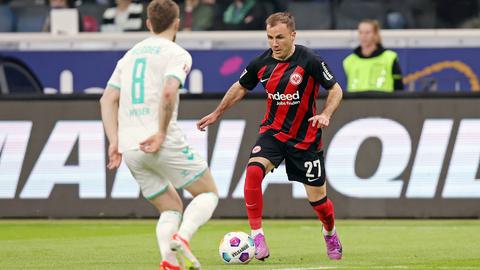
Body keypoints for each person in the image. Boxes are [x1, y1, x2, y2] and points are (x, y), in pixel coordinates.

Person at [197, 12, 343, 261]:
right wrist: (217, 112)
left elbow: (335, 89)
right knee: (253, 171)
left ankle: (329, 232)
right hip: (273, 133)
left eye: (280, 38)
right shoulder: (261, 63)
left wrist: (326, 113)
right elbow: (240, 86)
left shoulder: (309, 60)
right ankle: (258, 236)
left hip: (305, 139)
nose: (274, 43)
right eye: (269, 38)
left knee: (319, 202)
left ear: (293, 36)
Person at [100, 1, 218, 269]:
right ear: (177, 23)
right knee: (207, 193)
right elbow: (168, 91)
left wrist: (114, 141)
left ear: (148, 24)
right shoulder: (177, 53)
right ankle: (184, 238)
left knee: (170, 208)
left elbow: (107, 99)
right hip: (160, 140)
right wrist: (162, 133)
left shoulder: (128, 56)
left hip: (130, 147)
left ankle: (169, 261)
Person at [343, 19, 404, 92]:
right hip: (356, 102)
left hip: (383, 102)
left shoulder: (390, 58)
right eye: (360, 32)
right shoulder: (349, 60)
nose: (363, 36)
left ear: (375, 34)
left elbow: (398, 87)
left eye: (367, 33)